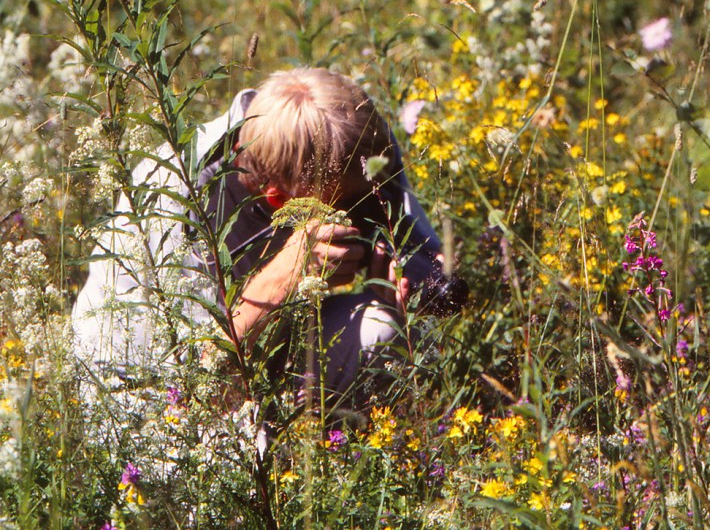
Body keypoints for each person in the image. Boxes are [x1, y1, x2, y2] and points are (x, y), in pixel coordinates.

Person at [72, 67, 448, 404]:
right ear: (277, 198)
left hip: (275, 346)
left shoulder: (361, 150)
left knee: (384, 327)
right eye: (340, 209)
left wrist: (408, 278)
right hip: (152, 395)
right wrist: (288, 272)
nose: (353, 219)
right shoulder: (179, 194)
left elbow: (421, 252)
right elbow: (200, 381)